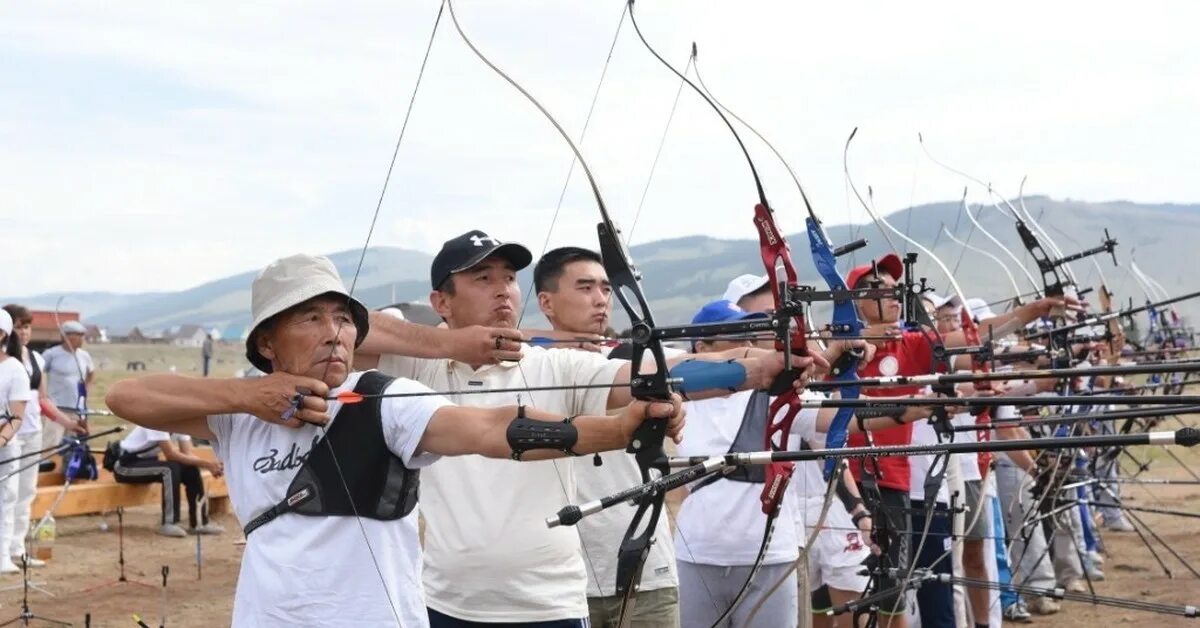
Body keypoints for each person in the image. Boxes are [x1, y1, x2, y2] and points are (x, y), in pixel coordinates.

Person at [105, 253, 686, 628]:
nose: (334, 333)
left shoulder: (384, 398)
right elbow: (127, 397)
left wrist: (613, 428)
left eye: (342, 319)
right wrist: (248, 397)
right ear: (266, 343)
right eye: (310, 319)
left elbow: (489, 429)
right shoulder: (236, 413)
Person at [360, 230, 815, 627]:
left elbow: (664, 371)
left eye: (509, 278)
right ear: (441, 302)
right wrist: (445, 343)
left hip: (548, 602)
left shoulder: (556, 366)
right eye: (482, 279)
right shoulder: (416, 367)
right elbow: (347, 327)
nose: (502, 290)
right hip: (447, 603)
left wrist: (759, 368)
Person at [533, 246, 679, 628]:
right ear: (546, 302)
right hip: (557, 581)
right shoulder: (527, 366)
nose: (600, 299)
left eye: (606, 288)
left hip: (643, 573)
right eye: (585, 288)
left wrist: (757, 359)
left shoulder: (633, 359)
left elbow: (689, 368)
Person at [1, 304, 85, 568]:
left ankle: (17, 548)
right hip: (11, 435)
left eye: (27, 326)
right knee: (8, 492)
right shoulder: (10, 363)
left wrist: (68, 423)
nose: (24, 332)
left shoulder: (35, 360)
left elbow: (43, 399)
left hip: (31, 432)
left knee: (26, 492)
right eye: (18, 327)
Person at [113, 426, 226, 537]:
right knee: (169, 469)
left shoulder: (180, 422)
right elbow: (170, 455)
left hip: (146, 462)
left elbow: (187, 453)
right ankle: (169, 522)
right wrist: (207, 465)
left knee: (190, 469)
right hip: (125, 466)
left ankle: (199, 523)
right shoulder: (157, 420)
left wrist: (211, 465)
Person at [0, 309, 31, 574]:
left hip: (4, 447)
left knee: (4, 499)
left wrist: (2, 438)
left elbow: (16, 416)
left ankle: (2, 556)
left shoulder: (14, 370)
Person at [41, 319, 94, 449]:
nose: (82, 338)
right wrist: (43, 396)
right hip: (56, 408)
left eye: (83, 335)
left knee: (75, 446)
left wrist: (86, 390)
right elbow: (38, 373)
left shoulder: (84, 355)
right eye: (78, 335)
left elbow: (91, 372)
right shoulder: (51, 354)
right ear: (66, 336)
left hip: (78, 409)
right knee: (51, 444)